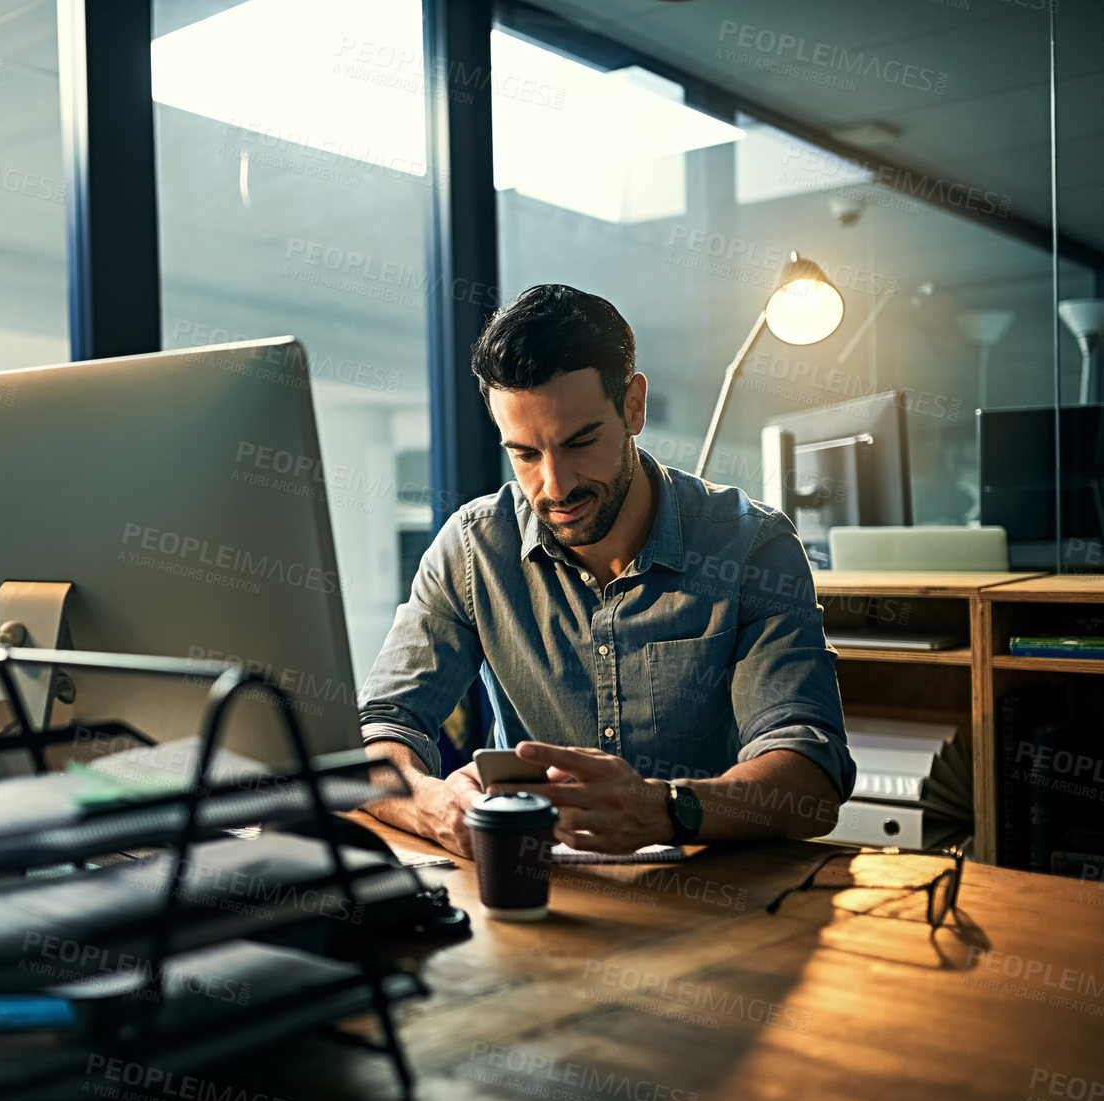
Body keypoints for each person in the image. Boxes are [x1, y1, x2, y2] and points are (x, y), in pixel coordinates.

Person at [359, 284, 854, 857]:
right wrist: (433, 805)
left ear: (634, 406)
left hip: (716, 896)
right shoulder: (474, 549)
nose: (556, 484)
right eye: (524, 454)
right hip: (541, 897)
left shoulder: (751, 546)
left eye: (581, 441)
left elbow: (812, 783)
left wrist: (666, 810)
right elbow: (381, 730)